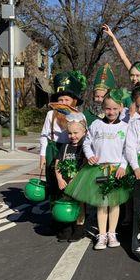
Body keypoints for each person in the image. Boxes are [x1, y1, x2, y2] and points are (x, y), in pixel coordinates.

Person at [65, 89, 130, 250]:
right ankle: (101, 235)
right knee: (102, 204)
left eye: (115, 108)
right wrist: (90, 155)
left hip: (117, 170)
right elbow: (87, 142)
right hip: (99, 169)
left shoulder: (125, 127)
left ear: (121, 107)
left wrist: (123, 166)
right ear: (103, 108)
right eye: (108, 108)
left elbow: (128, 149)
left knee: (115, 204)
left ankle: (112, 233)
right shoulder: (96, 124)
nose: (111, 112)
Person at [40, 71, 87, 206]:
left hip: (72, 150)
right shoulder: (51, 115)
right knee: (54, 182)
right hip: (54, 148)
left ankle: (73, 210)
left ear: (74, 101)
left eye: (66, 100)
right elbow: (44, 136)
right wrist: (43, 155)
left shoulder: (80, 116)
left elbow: (85, 136)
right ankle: (55, 210)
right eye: (60, 100)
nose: (63, 103)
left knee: (71, 180)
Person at [54, 113, 87, 241]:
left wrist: (76, 180)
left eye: (76, 133)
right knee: (66, 204)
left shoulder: (84, 148)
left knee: (79, 206)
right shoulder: (65, 146)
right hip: (65, 183)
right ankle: (66, 229)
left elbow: (85, 166)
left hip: (78, 183)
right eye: (70, 133)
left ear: (84, 132)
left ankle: (79, 230)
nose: (72, 136)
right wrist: (60, 179)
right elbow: (58, 163)